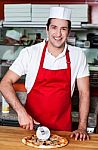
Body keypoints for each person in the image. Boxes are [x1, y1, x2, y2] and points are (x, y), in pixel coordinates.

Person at [0, 6, 90, 141]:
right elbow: (5, 83)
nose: (58, 34)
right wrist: (21, 112)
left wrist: (82, 126)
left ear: (69, 31)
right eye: (54, 27)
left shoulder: (78, 55)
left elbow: (84, 92)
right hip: (31, 128)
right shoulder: (30, 53)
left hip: (63, 130)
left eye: (63, 28)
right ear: (46, 29)